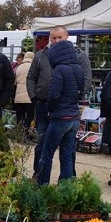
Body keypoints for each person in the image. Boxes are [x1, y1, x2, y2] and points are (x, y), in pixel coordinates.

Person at [27, 25, 92, 178]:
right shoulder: (41, 55)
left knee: (68, 148)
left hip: (65, 106)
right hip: (44, 104)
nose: (56, 41)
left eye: (59, 37)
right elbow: (31, 77)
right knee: (42, 142)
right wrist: (35, 98)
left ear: (67, 36)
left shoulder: (79, 55)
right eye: (53, 38)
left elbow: (87, 79)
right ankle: (39, 175)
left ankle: (68, 180)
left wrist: (75, 96)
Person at [36, 40, 84, 185]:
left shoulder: (60, 69)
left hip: (60, 117)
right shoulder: (78, 68)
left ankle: (42, 187)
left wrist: (48, 109)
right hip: (74, 117)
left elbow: (54, 94)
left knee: (47, 155)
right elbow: (81, 92)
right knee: (67, 155)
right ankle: (66, 189)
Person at [14, 51, 35, 133]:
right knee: (29, 116)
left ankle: (18, 133)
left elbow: (15, 82)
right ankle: (25, 132)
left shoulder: (19, 67)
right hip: (30, 97)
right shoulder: (33, 67)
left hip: (18, 97)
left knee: (20, 116)